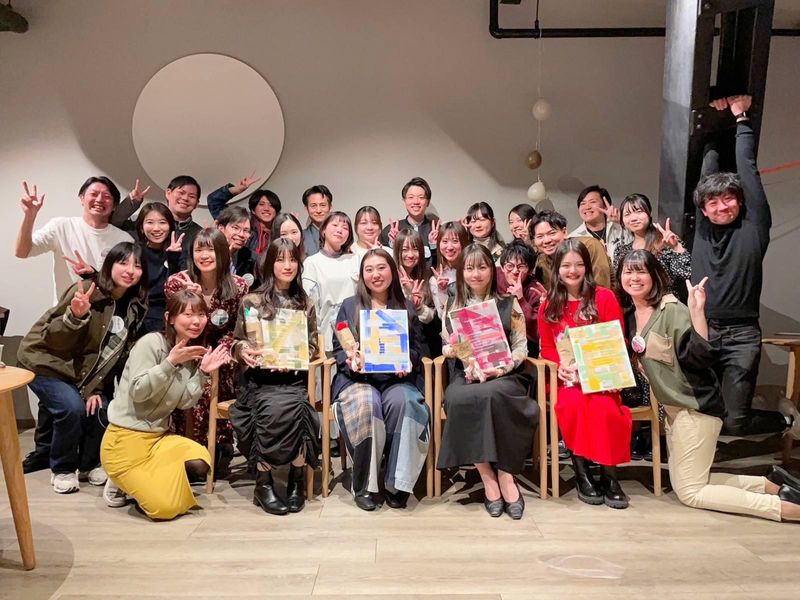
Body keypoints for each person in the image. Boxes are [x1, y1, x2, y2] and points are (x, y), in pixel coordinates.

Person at [618, 250, 800, 521]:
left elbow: (700, 357)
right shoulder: (631, 317)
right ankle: (772, 485)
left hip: (696, 408)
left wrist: (697, 313)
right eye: (628, 271)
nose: (634, 278)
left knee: (691, 492)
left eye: (641, 271)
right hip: (674, 411)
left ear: (655, 275)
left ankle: (786, 509)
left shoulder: (671, 310)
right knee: (691, 482)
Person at [17, 242, 148, 494]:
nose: (130, 270)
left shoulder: (135, 304)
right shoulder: (88, 290)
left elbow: (111, 354)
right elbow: (54, 341)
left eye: (138, 265)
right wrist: (75, 317)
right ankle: (63, 469)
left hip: (80, 372)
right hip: (46, 363)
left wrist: (94, 388)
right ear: (109, 265)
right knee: (71, 408)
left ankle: (88, 465)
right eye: (123, 262)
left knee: (102, 408)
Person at [693, 94, 785, 436]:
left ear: (740, 200)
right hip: (704, 330)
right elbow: (707, 173)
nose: (721, 206)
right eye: (713, 203)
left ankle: (786, 421)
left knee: (734, 421)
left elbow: (748, 171)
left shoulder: (753, 226)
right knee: (704, 413)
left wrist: (741, 119)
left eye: (728, 199)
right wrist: (716, 122)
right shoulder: (703, 230)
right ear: (704, 210)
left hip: (742, 333)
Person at [100, 290, 231, 520]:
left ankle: (140, 482)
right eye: (188, 314)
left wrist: (202, 373)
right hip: (124, 440)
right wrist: (170, 363)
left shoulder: (189, 354)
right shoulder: (151, 343)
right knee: (165, 509)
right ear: (170, 318)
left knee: (200, 460)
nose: (196, 321)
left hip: (158, 439)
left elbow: (184, 403)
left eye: (201, 315)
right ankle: (120, 480)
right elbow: (138, 391)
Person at [437, 244, 538, 520]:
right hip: (468, 373)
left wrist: (502, 368)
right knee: (458, 399)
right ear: (462, 272)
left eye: (482, 267)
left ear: (492, 271)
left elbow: (521, 346)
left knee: (496, 395)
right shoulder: (453, 305)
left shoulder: (508, 302)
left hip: (505, 373)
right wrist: (456, 350)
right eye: (469, 268)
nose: (476, 274)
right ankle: (487, 476)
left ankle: (506, 474)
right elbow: (445, 345)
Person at [331, 249, 430, 511]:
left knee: (405, 403)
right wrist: (350, 359)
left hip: (397, 380)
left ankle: (398, 482)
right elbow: (339, 347)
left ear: (392, 272)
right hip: (358, 380)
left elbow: (418, 347)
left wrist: (409, 360)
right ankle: (365, 483)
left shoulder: (406, 307)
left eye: (381, 268)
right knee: (367, 402)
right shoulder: (349, 306)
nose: (376, 274)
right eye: (369, 269)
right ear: (362, 275)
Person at [538, 239, 632, 509]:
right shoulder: (549, 304)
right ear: (557, 269)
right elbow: (547, 347)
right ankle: (583, 474)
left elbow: (617, 340)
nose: (572, 271)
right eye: (566, 265)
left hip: (602, 377)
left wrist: (601, 370)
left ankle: (610, 476)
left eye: (579, 265)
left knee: (605, 408)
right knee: (573, 405)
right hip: (566, 380)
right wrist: (562, 366)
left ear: (587, 267)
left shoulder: (604, 297)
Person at [229, 238, 321, 515]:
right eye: (280, 260)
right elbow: (238, 341)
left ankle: (296, 480)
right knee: (269, 409)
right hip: (259, 380)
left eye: (292, 259)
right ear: (269, 264)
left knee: (299, 408)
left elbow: (313, 345)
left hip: (293, 378)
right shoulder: (252, 301)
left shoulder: (305, 303)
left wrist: (295, 357)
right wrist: (244, 351)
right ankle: (264, 482)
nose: (287, 265)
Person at [164, 229, 248, 459]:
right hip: (187, 349)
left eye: (210, 249)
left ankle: (220, 444)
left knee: (222, 369)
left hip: (222, 352)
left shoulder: (239, 286)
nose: (204, 255)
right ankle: (189, 448)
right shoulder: (177, 283)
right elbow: (178, 326)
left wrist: (223, 350)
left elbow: (238, 327)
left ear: (222, 252)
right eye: (198, 250)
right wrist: (195, 300)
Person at [15, 177, 133, 299]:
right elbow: (22, 252)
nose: (99, 199)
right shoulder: (61, 226)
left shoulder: (125, 240)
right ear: (82, 198)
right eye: (94, 194)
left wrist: (93, 275)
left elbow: (124, 288)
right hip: (65, 309)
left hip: (107, 309)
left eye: (106, 196)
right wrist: (29, 216)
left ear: (114, 205)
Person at [613, 193, 691, 301]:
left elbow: (686, 274)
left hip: (665, 305)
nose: (633, 218)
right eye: (627, 214)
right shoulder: (621, 251)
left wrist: (677, 248)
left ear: (649, 213)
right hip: (634, 306)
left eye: (639, 211)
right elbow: (619, 285)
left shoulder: (665, 244)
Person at [301, 211, 359, 351]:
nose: (340, 230)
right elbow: (310, 304)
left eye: (345, 228)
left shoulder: (355, 259)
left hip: (354, 326)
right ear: (323, 231)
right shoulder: (312, 262)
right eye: (334, 225)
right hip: (326, 328)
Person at [112, 175, 203, 263]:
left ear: (196, 203)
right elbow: (114, 225)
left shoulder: (199, 234)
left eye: (191, 196)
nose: (185, 198)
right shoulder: (145, 223)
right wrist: (131, 203)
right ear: (168, 193)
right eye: (181, 193)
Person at [134, 202, 183, 334]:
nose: (156, 228)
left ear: (170, 226)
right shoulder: (135, 252)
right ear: (141, 226)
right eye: (150, 222)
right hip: (139, 316)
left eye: (162, 222)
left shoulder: (179, 252)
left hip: (169, 317)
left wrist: (173, 259)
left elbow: (176, 291)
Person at [531, 210, 612, 289]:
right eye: (540, 236)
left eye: (552, 233)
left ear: (564, 232)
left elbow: (602, 288)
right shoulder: (541, 263)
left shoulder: (589, 246)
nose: (546, 240)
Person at [207, 173, 280, 256]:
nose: (266, 208)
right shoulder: (243, 223)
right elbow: (213, 201)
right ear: (253, 210)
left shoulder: (280, 231)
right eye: (261, 204)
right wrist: (237, 189)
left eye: (271, 205)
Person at [393, 229, 438, 356]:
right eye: (405, 249)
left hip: (420, 341)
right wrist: (407, 292)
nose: (411, 255)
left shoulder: (425, 277)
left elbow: (431, 317)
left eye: (415, 249)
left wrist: (418, 307)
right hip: (395, 340)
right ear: (397, 251)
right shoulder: (390, 277)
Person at [497, 240, 546, 357]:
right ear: (502, 267)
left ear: (530, 271)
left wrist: (520, 298)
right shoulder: (495, 277)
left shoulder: (535, 290)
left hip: (526, 349)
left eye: (521, 267)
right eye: (510, 266)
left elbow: (537, 333)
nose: (515, 271)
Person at [379, 177, 439, 265]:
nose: (416, 201)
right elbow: (385, 263)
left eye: (421, 197)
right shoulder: (390, 231)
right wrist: (393, 244)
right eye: (411, 197)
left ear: (428, 202)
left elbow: (442, 263)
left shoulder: (437, 231)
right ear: (404, 201)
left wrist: (434, 245)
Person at [568, 185, 628, 259]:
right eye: (583, 203)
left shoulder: (621, 227)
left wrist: (622, 221)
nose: (587, 207)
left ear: (605, 206)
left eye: (592, 202)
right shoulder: (574, 238)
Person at [430, 221, 470, 318]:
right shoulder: (436, 279)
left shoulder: (472, 271)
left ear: (463, 243)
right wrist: (442, 291)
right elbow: (442, 316)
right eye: (445, 241)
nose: (450, 247)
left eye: (455, 241)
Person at [216, 206, 257, 285]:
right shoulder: (208, 253)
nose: (241, 234)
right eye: (235, 228)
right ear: (221, 229)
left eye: (246, 230)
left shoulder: (252, 259)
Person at [301, 185, 333, 257]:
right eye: (313, 206)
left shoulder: (340, 233)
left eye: (323, 205)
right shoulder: (301, 237)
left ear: (330, 207)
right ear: (306, 208)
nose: (318, 210)